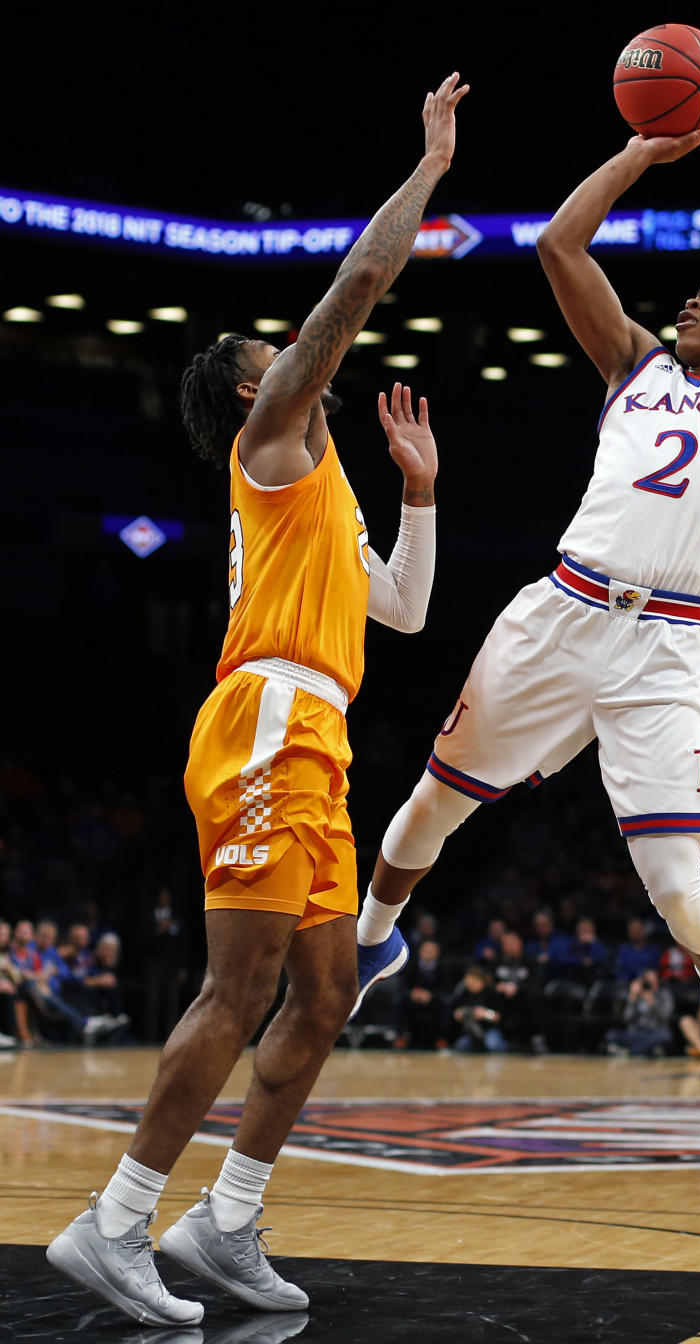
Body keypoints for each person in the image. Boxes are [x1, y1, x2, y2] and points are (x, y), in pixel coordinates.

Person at [47, 72, 468, 1328]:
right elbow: (352, 293)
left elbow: (403, 609)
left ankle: (225, 1219)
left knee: (332, 989)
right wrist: (430, 169)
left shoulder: (327, 487)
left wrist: (424, 492)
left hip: (319, 727)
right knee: (237, 992)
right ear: (251, 388)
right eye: (269, 353)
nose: (293, 353)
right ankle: (113, 1222)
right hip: (267, 721)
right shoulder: (273, 444)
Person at [353, 53, 700, 1124]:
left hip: (672, 647)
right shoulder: (636, 367)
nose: (694, 298)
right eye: (695, 292)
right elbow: (560, 244)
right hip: (560, 611)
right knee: (430, 807)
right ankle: (376, 938)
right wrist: (640, 150)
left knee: (677, 888)